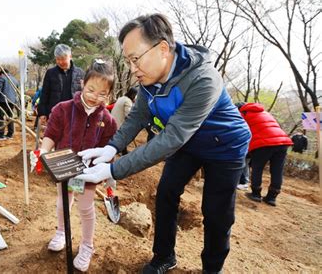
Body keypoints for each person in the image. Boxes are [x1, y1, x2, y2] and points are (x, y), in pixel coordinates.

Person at [76, 14, 251, 273]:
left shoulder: (204, 78)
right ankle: (164, 257)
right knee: (166, 194)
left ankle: (212, 269)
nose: (133, 68)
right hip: (188, 144)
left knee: (216, 213)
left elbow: (172, 137)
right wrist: (111, 148)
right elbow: (138, 115)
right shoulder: (149, 80)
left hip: (224, 146)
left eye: (136, 59)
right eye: (128, 61)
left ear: (162, 49)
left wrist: (113, 169)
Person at [30, 60, 117, 272]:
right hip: (63, 169)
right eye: (91, 89)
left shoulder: (108, 120)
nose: (94, 96)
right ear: (82, 84)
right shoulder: (63, 109)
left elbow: (109, 150)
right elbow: (51, 135)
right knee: (63, 203)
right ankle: (61, 231)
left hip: (86, 175)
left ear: (109, 95)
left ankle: (87, 245)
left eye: (102, 93)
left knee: (86, 208)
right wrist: (43, 151)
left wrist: (104, 172)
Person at [237, 102, 293, 206]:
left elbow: (239, 131)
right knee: (277, 170)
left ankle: (256, 194)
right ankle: (272, 197)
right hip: (283, 142)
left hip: (264, 143)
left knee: (257, 168)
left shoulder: (243, 114)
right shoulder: (265, 113)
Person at [37, 44, 85, 126]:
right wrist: (42, 112)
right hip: (54, 113)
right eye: (57, 59)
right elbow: (44, 94)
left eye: (63, 59)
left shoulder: (80, 73)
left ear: (70, 56)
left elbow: (84, 94)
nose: (60, 62)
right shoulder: (51, 73)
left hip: (74, 114)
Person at [111, 87, 138, 154]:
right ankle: (123, 151)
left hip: (113, 120)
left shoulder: (121, 98)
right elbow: (128, 114)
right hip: (118, 122)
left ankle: (123, 150)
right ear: (133, 95)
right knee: (127, 133)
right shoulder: (127, 101)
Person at [0, 69, 19, 140]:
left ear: (1, 73)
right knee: (10, 117)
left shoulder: (2, 78)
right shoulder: (15, 80)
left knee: (0, 117)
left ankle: (0, 134)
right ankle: (10, 134)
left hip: (2, 101)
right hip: (12, 101)